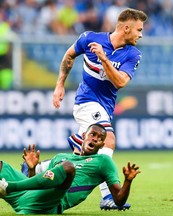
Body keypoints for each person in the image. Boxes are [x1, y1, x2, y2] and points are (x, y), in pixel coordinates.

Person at [52, 8, 147, 210]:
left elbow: (120, 81)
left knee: (80, 155)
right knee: (108, 139)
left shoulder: (133, 54)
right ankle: (108, 197)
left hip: (105, 108)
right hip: (86, 101)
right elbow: (69, 55)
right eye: (138, 29)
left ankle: (38, 169)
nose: (141, 34)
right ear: (126, 28)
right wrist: (60, 84)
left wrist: (104, 59)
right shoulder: (89, 38)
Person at [0, 123, 140, 214]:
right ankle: (8, 187)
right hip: (25, 197)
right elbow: (36, 184)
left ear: (102, 144)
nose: (95, 139)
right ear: (84, 136)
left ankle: (8, 187)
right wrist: (32, 169)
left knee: (68, 167)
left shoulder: (103, 161)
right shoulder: (61, 156)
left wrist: (127, 181)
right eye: (93, 134)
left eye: (100, 138)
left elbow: (119, 201)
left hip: (48, 204)